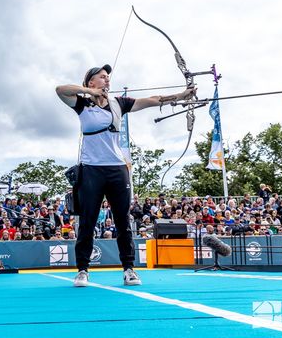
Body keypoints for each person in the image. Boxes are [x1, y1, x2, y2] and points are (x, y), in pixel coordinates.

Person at [56, 64, 195, 287]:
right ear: (91, 82)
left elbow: (152, 100)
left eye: (108, 77)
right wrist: (90, 93)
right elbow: (60, 89)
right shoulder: (82, 103)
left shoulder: (118, 103)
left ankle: (129, 269)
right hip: (91, 169)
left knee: (123, 221)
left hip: (117, 169)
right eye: (102, 77)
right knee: (87, 222)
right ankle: (82, 270)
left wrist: (180, 95)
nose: (107, 80)